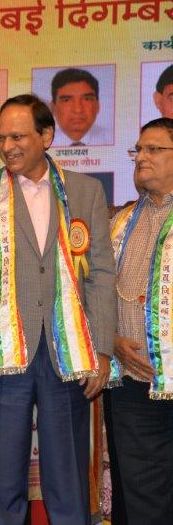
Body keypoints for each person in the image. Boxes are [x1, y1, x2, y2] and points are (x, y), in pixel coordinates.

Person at [0, 94, 115, 524]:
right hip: (1, 352)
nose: (7, 146)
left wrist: (101, 350)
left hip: (68, 353)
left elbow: (100, 274)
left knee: (68, 479)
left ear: (46, 136)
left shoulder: (85, 191)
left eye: (18, 137)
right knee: (1, 480)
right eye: (1, 137)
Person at [108, 117, 173, 524]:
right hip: (134, 382)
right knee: (142, 496)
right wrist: (112, 340)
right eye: (138, 150)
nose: (141, 158)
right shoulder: (120, 221)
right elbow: (95, 294)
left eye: (154, 149)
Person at [50, 68, 109, 147]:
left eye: (87, 99)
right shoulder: (40, 144)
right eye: (67, 100)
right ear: (53, 108)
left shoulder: (115, 139)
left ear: (97, 105)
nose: (78, 110)